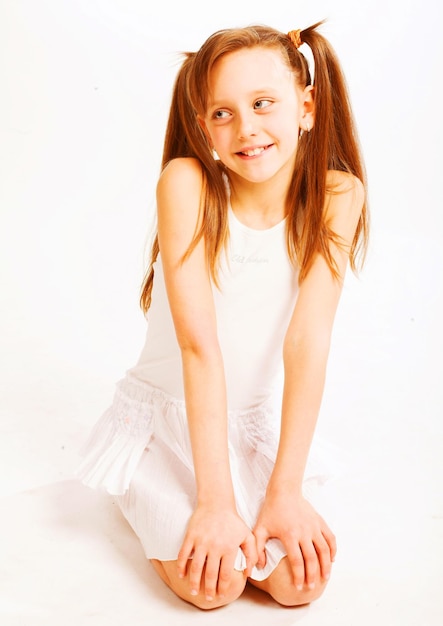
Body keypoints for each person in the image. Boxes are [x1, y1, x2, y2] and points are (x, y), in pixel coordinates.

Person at [77, 20, 369, 610]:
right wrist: (214, 502)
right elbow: (198, 349)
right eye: (222, 113)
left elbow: (307, 342)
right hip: (168, 415)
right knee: (217, 586)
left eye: (263, 104)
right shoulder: (187, 185)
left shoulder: (339, 197)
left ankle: (256, 490)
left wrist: (283, 490)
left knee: (295, 584)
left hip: (248, 422)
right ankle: (144, 487)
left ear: (306, 107)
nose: (247, 128)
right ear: (204, 126)